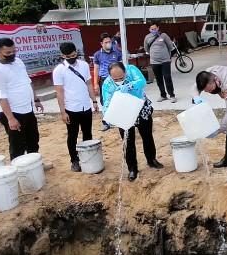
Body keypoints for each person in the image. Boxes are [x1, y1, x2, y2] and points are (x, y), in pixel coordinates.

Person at [102, 62, 163, 181]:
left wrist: (129, 86)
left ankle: (151, 159)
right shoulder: (107, 84)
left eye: (121, 77)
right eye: (116, 79)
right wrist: (107, 117)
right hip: (123, 112)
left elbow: (142, 81)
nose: (119, 80)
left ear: (125, 72)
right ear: (110, 76)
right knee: (128, 141)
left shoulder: (131, 70)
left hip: (140, 107)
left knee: (147, 135)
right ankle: (132, 168)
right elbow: (107, 103)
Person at [0, 38, 44, 160]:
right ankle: (19, 171)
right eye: (8, 53)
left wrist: (36, 100)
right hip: (12, 112)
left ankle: (34, 165)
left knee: (33, 139)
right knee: (17, 145)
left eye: (14, 51)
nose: (12, 54)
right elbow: (1, 97)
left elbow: (28, 82)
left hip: (27, 109)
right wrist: (11, 119)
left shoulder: (18, 62)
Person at [52, 42, 99, 172]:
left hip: (85, 106)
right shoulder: (59, 71)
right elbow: (59, 92)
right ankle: (74, 160)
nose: (72, 58)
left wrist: (94, 101)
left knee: (87, 132)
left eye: (74, 55)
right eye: (69, 56)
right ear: (62, 55)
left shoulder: (83, 65)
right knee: (72, 135)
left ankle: (87, 156)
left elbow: (89, 84)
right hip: (71, 109)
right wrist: (63, 112)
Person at [93, 32, 120, 131]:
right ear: (101, 43)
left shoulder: (117, 53)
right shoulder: (97, 55)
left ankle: (118, 119)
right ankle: (106, 122)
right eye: (106, 42)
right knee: (104, 101)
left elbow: (121, 66)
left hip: (116, 79)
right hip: (104, 80)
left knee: (117, 99)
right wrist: (95, 83)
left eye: (110, 41)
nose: (109, 43)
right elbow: (96, 69)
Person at [144, 22, 176, 103]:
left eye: (155, 28)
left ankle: (172, 95)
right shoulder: (147, 37)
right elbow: (147, 49)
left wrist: (168, 56)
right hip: (154, 62)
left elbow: (170, 46)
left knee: (167, 77)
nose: (153, 30)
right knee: (159, 79)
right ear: (149, 29)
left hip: (165, 60)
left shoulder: (163, 35)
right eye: (152, 29)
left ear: (158, 28)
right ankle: (163, 95)